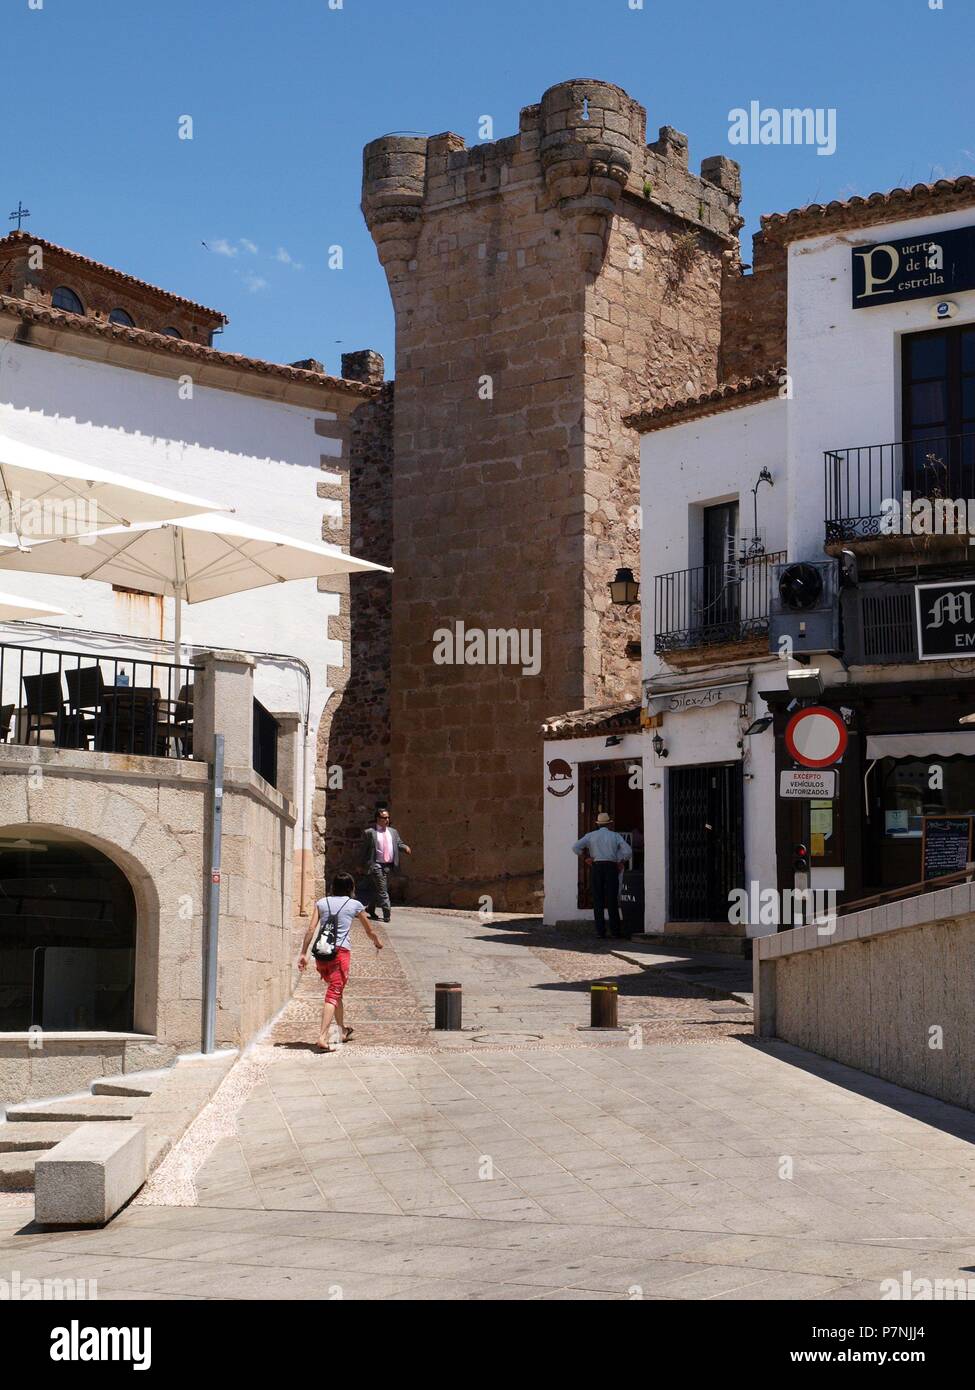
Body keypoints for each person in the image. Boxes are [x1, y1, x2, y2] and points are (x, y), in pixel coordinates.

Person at [298, 872, 383, 1052]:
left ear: (332, 887)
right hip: (340, 954)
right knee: (333, 993)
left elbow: (311, 929)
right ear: (351, 888)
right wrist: (377, 942)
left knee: (337, 993)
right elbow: (369, 930)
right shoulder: (355, 905)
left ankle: (342, 1031)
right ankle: (322, 1036)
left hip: (322, 954)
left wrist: (304, 953)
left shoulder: (322, 903)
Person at [573, 811, 633, 940]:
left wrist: (586, 858)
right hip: (611, 867)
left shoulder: (590, 836)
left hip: (597, 867)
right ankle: (615, 932)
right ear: (610, 824)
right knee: (612, 899)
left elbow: (575, 847)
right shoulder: (615, 836)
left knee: (598, 900)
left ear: (598, 824)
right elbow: (628, 851)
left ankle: (600, 932)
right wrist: (621, 861)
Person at [360, 806, 411, 923]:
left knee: (378, 888)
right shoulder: (370, 833)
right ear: (377, 819)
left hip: (389, 865)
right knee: (383, 890)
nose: (387, 820)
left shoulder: (393, 832)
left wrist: (405, 847)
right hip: (376, 865)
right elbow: (364, 850)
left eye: (388, 818)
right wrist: (361, 864)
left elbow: (398, 843)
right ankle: (387, 914)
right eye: (384, 818)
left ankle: (370, 909)